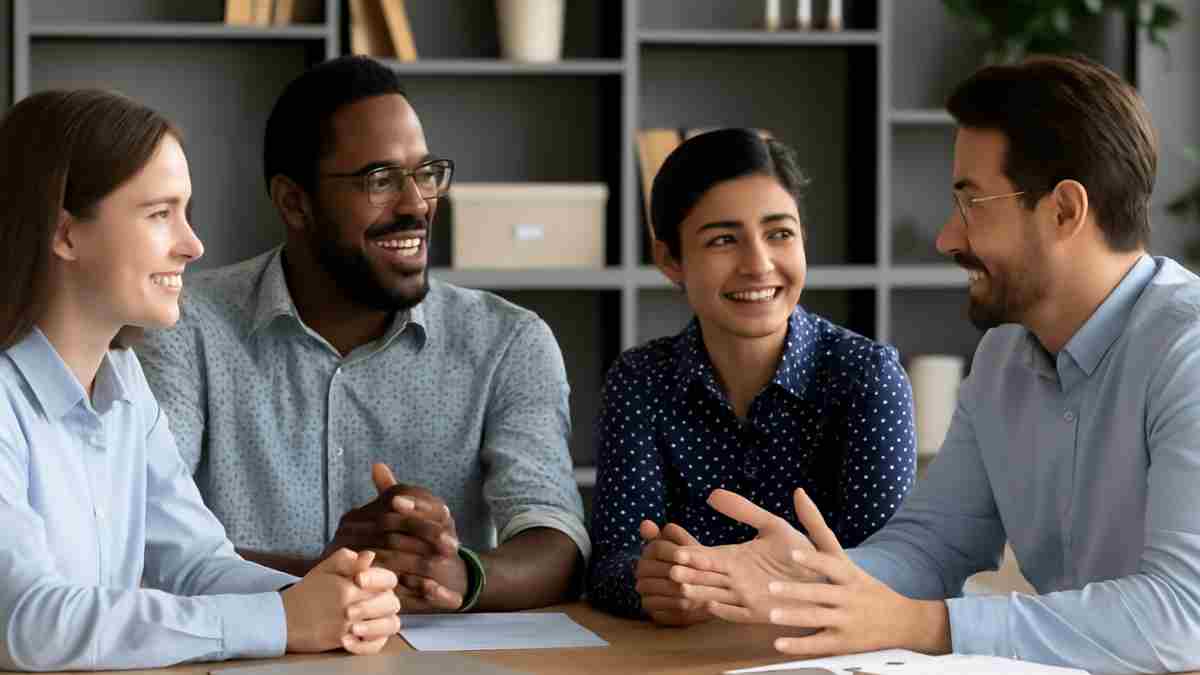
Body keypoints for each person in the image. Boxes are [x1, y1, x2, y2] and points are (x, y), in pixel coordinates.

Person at [664, 55, 1200, 673]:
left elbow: (1181, 615)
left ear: (1064, 211)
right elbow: (935, 545)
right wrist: (810, 576)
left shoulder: (1184, 350)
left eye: (973, 204)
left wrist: (925, 624)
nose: (948, 237)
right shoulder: (1003, 357)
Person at [136, 55, 589, 614]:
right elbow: (146, 542)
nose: (416, 204)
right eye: (380, 180)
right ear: (294, 203)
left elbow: (557, 541)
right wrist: (342, 574)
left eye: (425, 174)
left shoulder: (507, 343)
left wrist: (456, 574)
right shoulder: (185, 327)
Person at [0, 89, 401, 671]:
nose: (192, 244)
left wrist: (328, 598)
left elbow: (194, 563)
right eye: (160, 213)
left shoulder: (124, 383)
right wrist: (282, 621)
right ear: (65, 235)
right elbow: (25, 622)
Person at [586, 129, 917, 626]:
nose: (758, 265)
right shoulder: (640, 380)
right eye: (723, 240)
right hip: (681, 657)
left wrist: (759, 581)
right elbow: (612, 563)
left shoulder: (867, 377)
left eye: (780, 233)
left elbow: (896, 569)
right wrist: (655, 583)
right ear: (670, 260)